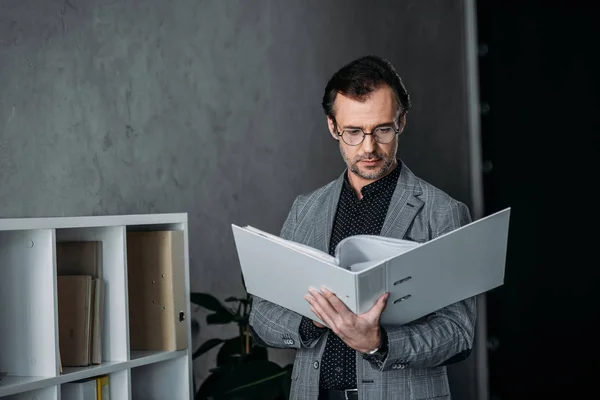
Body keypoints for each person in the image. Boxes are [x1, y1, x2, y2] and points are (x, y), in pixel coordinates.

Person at [248, 55, 476, 400]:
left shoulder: (442, 211)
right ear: (333, 127)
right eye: (353, 131)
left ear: (401, 122)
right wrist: (316, 321)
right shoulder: (304, 209)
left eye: (382, 129)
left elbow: (458, 333)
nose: (369, 147)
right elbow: (262, 316)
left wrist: (379, 343)